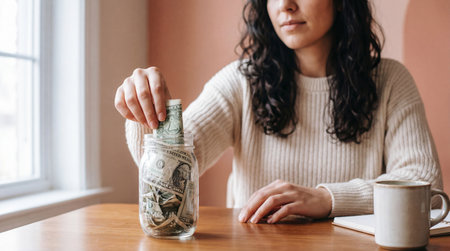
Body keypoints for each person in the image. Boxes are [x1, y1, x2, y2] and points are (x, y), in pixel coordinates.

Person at [114, 0, 443, 224]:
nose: (285, 3)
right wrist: (146, 112)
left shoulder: (390, 81)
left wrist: (327, 199)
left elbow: (425, 187)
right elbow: (167, 174)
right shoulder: (242, 81)